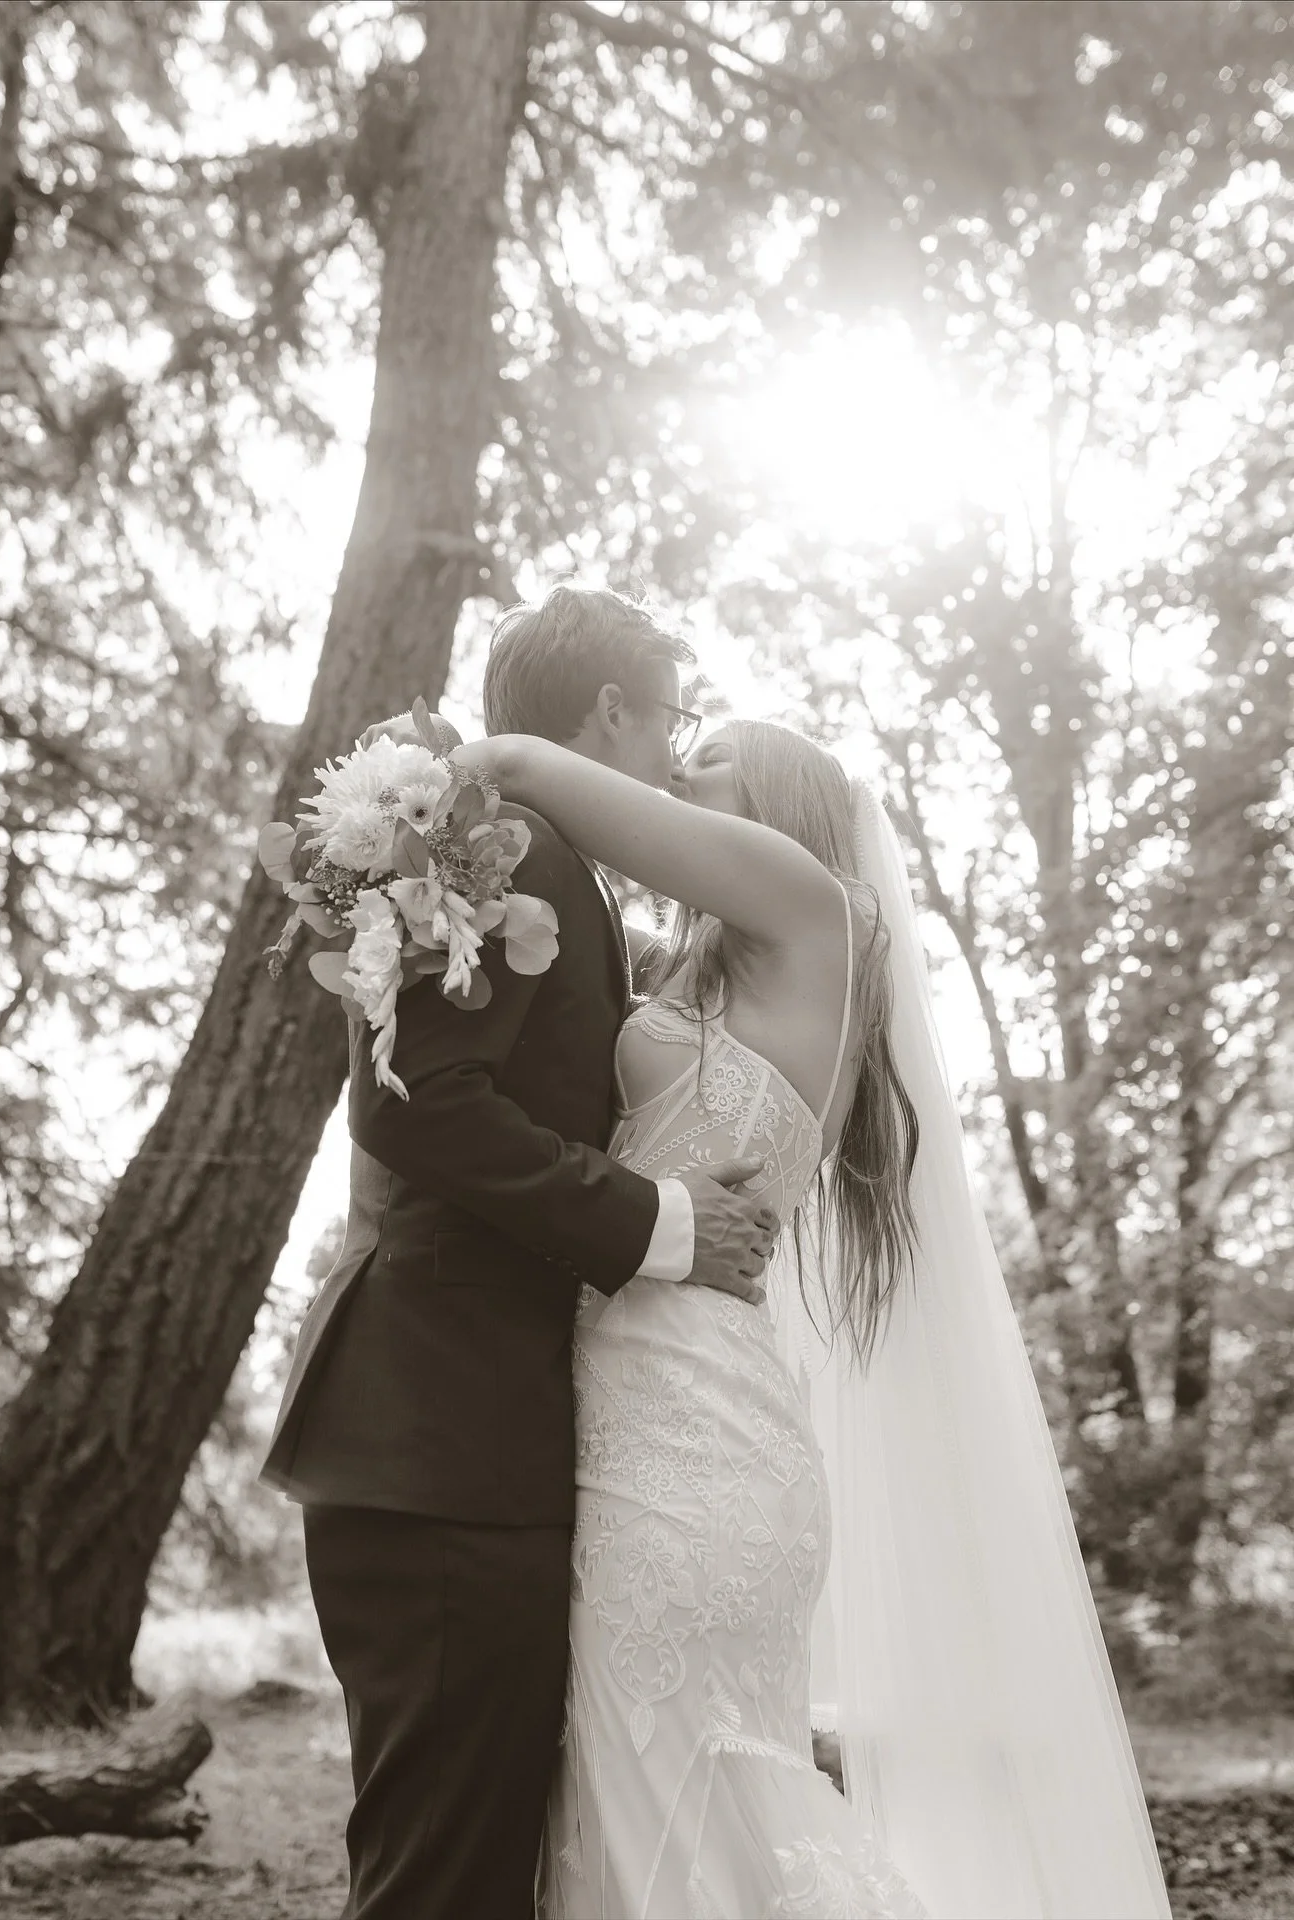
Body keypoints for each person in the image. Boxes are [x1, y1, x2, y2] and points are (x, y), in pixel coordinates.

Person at [449, 707, 1173, 1919]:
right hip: (638, 1420)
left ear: (782, 798)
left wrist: (419, 792)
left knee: (666, 1816)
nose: (676, 769)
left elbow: (522, 767)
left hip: (697, 1452)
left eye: (708, 758)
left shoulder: (814, 902)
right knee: (647, 1819)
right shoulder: (702, 967)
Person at [259, 586, 780, 1920]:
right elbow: (418, 1104)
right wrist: (660, 1228)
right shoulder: (532, 851)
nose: (673, 753)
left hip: (461, 1450)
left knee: (470, 1873)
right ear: (610, 708)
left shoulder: (542, 859)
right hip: (440, 1453)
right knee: (442, 1884)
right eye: (669, 717)